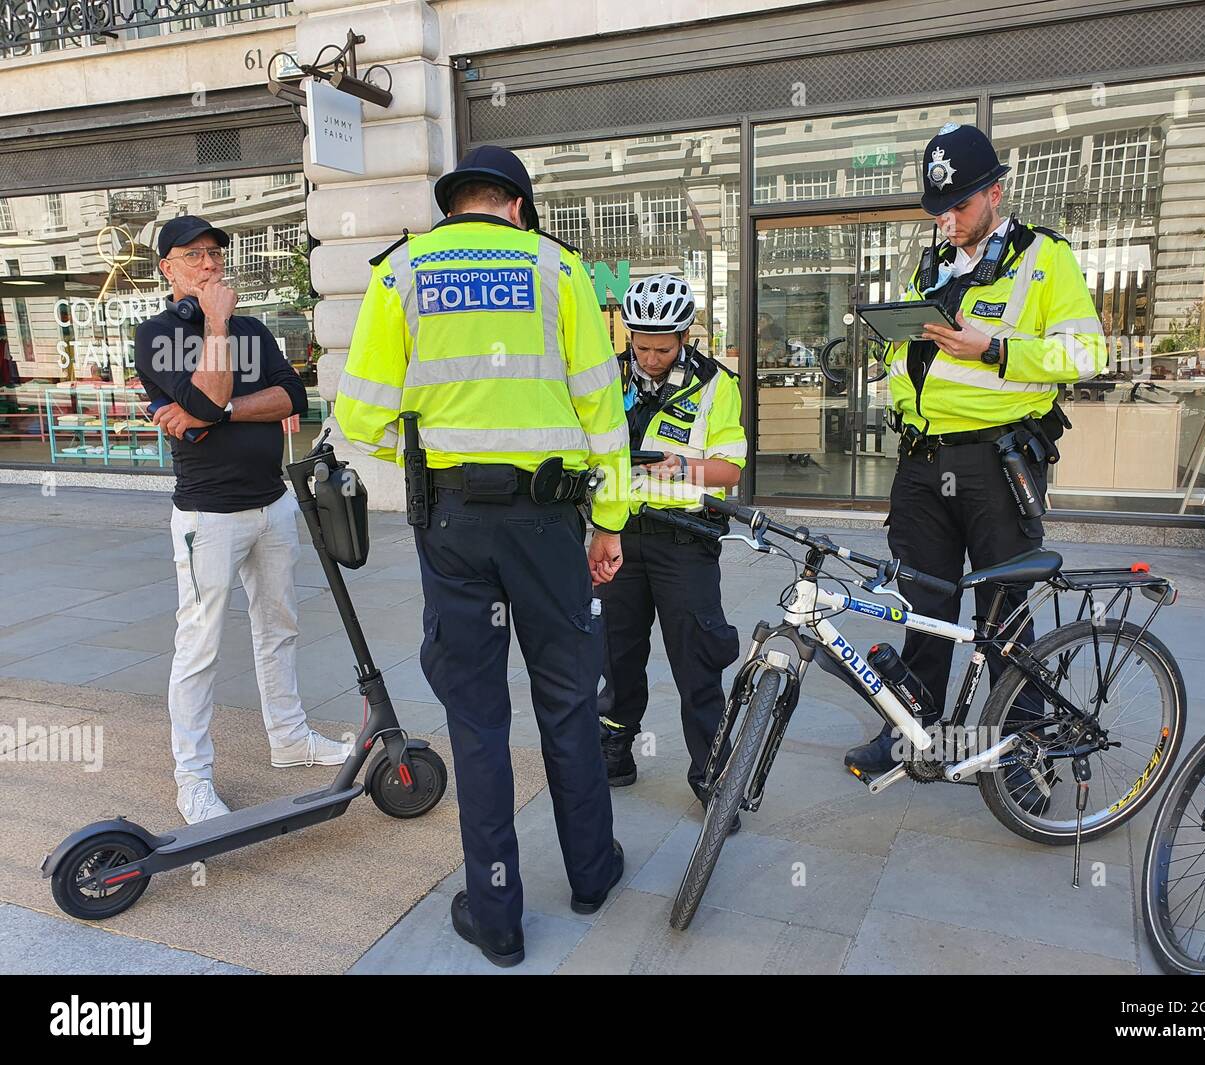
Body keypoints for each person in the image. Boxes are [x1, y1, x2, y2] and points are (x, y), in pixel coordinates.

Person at [335, 146, 630, 968]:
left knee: (477, 720)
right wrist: (609, 522)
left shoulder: (402, 271)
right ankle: (592, 874)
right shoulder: (559, 271)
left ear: (454, 203)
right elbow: (603, 411)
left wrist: (430, 462)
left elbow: (359, 415)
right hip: (548, 523)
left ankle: (497, 914)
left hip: (454, 526)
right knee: (569, 701)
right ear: (518, 207)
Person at [843, 124, 1106, 808]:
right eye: (938, 207)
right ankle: (914, 728)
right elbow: (909, 362)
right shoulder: (931, 266)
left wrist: (993, 350)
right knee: (927, 606)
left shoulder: (1043, 258)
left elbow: (1086, 356)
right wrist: (899, 391)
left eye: (959, 204)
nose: (948, 218)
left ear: (995, 190)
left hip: (997, 463)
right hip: (924, 464)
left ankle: (1021, 753)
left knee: (1004, 614)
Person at [134, 215, 347, 826]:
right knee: (199, 645)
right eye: (193, 255)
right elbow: (196, 403)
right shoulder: (156, 335)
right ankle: (193, 777)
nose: (209, 264)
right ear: (166, 268)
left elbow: (291, 400)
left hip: (272, 503)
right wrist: (217, 326)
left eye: (215, 253)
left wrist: (215, 412)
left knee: (278, 627)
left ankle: (289, 737)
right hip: (209, 514)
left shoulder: (254, 329)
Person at [597, 274, 747, 828]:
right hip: (615, 532)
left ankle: (711, 774)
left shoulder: (715, 384)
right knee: (616, 653)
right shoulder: (604, 377)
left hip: (683, 540)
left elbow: (730, 469)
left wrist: (683, 467)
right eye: (641, 345)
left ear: (685, 334)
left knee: (697, 660)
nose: (651, 356)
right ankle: (614, 750)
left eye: (663, 347)